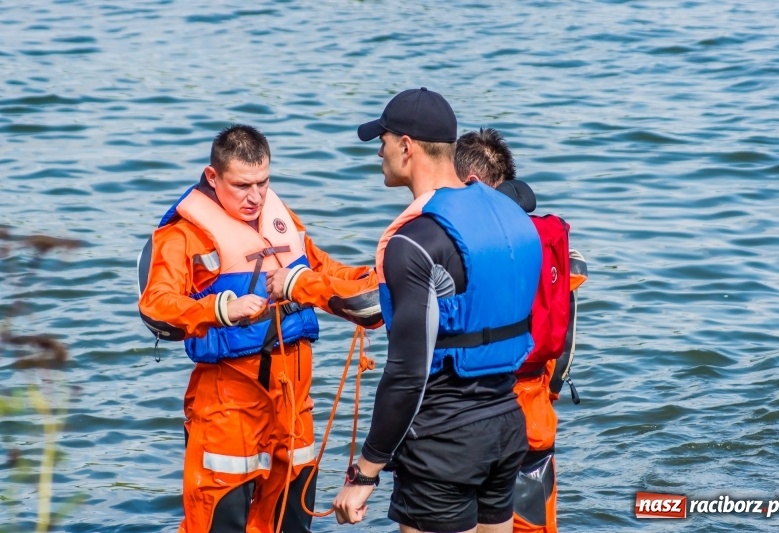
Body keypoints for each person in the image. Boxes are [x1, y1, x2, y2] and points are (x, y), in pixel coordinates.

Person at [138, 123, 381, 533]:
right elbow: (156, 304)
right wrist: (223, 308)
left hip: (294, 401)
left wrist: (375, 277)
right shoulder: (183, 234)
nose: (255, 197)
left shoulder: (280, 219)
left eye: (263, 183)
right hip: (228, 404)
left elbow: (323, 268)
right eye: (242, 185)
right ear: (213, 177)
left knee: (292, 523)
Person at [330, 88, 542, 533]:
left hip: (442, 442)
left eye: (383, 141)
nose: (380, 153)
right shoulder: (509, 215)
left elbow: (407, 373)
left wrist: (364, 473)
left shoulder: (414, 242)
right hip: (506, 425)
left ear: (406, 146)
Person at [454, 128, 588, 533]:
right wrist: (545, 393)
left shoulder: (468, 244)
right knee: (534, 524)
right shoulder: (549, 241)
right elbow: (566, 341)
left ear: (469, 182)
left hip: (480, 410)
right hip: (536, 415)